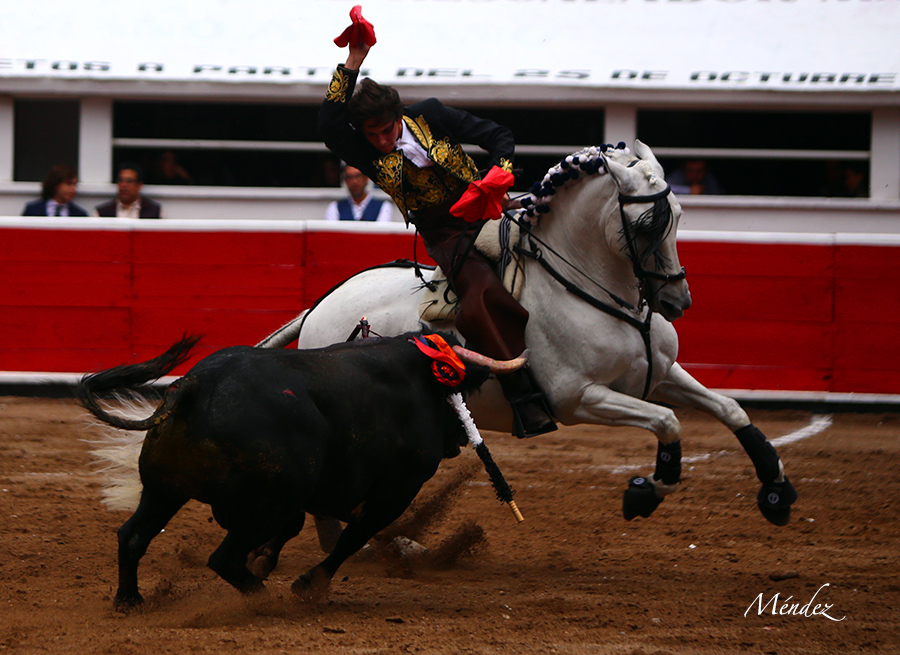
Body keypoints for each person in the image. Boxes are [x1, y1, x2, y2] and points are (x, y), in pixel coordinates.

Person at [318, 32, 556, 438]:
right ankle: (522, 395)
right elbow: (328, 123)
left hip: (489, 205)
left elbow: (497, 135)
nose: (380, 140)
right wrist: (354, 61)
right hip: (444, 233)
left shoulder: (428, 114)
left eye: (386, 130)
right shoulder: (363, 149)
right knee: (479, 292)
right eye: (372, 135)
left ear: (399, 115)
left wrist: (500, 170)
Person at [324, 165, 393, 222]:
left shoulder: (383, 206)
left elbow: (380, 234)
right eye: (350, 177)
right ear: (345, 180)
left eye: (358, 176)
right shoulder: (335, 207)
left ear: (366, 178)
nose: (354, 181)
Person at [93, 163, 164, 219]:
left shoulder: (156, 212)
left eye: (129, 181)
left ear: (139, 185)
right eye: (120, 180)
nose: (124, 185)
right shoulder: (102, 212)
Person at [21, 165, 88, 217]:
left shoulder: (79, 214)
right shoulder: (33, 210)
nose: (73, 188)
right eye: (69, 184)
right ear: (56, 184)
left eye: (75, 184)